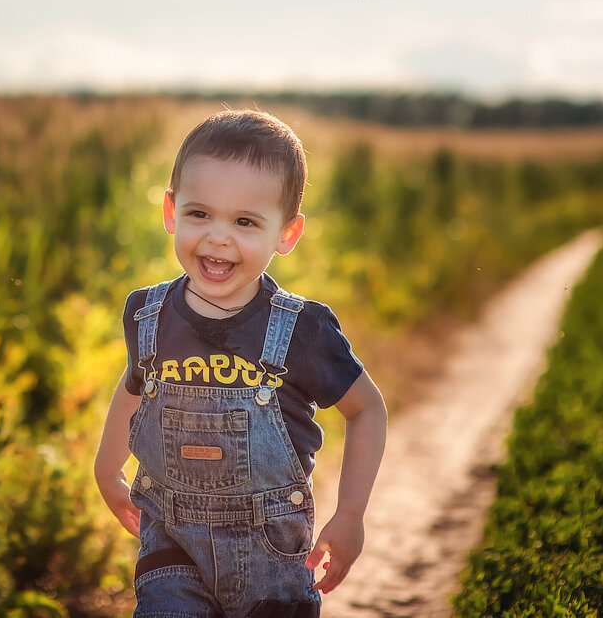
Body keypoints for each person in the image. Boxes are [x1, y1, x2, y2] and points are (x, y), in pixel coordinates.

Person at [94, 109, 387, 618]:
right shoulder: (149, 315)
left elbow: (367, 411)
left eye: (245, 222)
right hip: (171, 546)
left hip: (270, 558)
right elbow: (139, 383)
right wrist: (106, 465)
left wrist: (351, 513)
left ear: (287, 234)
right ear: (170, 211)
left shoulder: (303, 330)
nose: (218, 238)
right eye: (199, 214)